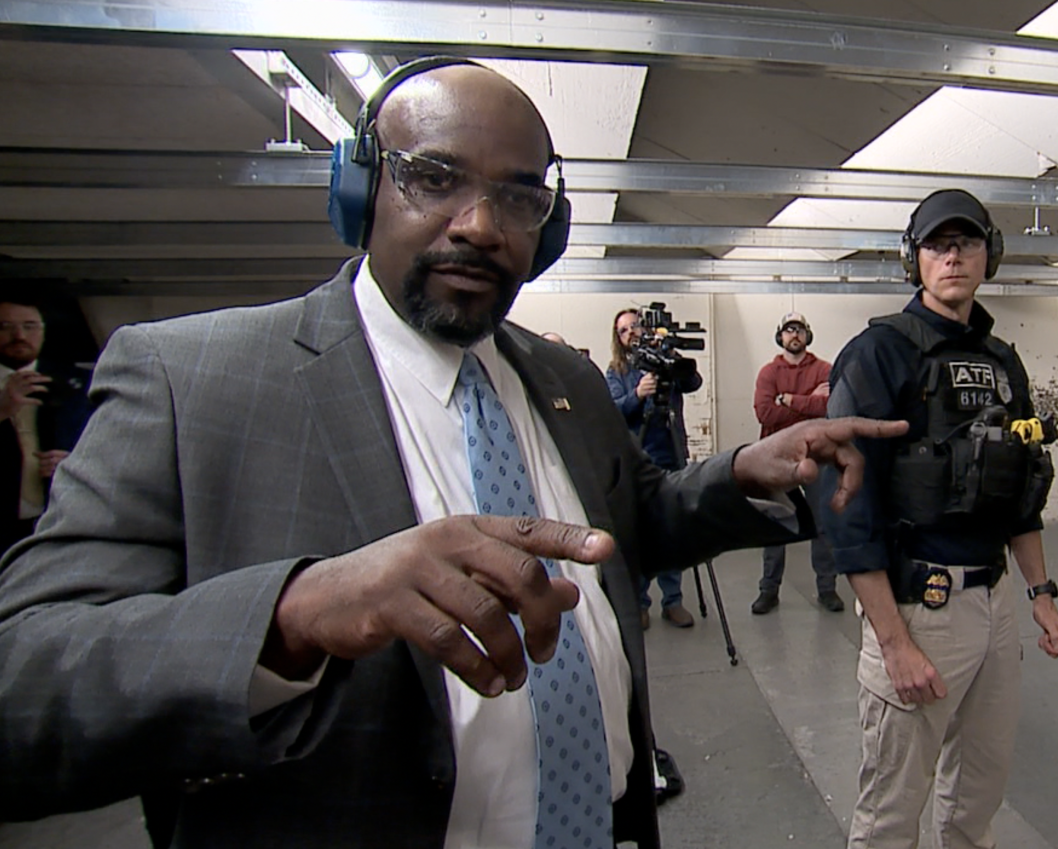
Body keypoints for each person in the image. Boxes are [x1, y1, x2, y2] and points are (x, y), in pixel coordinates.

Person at [0, 59, 904, 849]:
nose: (480, 223)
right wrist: (294, 612)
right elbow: (25, 683)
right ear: (359, 189)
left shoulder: (563, 376)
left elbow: (622, 525)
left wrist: (739, 471)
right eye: (433, 177)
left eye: (518, 196)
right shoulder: (188, 379)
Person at [821, 189, 1058, 849]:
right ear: (914, 259)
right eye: (937, 244)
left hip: (993, 602)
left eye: (966, 242)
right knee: (890, 813)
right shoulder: (878, 354)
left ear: (991, 254)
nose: (952, 255)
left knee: (976, 798)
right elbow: (849, 509)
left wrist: (1040, 592)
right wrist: (895, 641)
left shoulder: (1004, 361)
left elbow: (1022, 488)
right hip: (919, 604)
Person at [605, 308, 702, 630]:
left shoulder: (663, 359)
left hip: (671, 454)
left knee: (672, 529)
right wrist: (637, 395)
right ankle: (640, 602)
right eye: (623, 330)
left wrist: (671, 357)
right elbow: (613, 412)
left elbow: (693, 381)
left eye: (635, 326)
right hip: (638, 457)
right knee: (641, 533)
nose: (631, 332)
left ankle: (673, 601)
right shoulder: (616, 371)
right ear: (617, 338)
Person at [750, 311, 842, 615]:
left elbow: (828, 407)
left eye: (799, 329)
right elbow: (766, 414)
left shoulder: (825, 369)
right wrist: (807, 402)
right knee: (775, 524)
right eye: (789, 330)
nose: (794, 335)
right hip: (776, 457)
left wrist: (788, 400)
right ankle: (769, 590)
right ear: (781, 336)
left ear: (807, 334)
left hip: (816, 456)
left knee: (822, 524)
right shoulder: (768, 372)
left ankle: (827, 589)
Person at [0, 300, 92, 551]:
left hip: (55, 520)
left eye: (29, 326)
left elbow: (112, 448)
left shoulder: (81, 384)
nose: (19, 336)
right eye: (5, 327)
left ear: (43, 331)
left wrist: (75, 463)